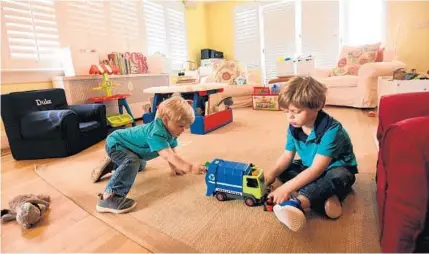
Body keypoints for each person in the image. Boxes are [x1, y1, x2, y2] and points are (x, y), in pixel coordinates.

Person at [264, 76, 358, 232]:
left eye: (296, 111)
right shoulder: (294, 127)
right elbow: (287, 156)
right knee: (286, 169)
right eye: (286, 111)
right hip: (310, 166)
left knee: (337, 177)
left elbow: (317, 169)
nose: (290, 117)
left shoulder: (332, 130)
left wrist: (286, 188)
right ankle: (325, 197)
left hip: (337, 168)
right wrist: (271, 174)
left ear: (318, 105)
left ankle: (299, 203)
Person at [94, 96, 207, 214]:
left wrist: (175, 166)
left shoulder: (171, 131)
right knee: (133, 162)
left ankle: (113, 164)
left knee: (140, 165)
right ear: (165, 120)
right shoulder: (156, 132)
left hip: (129, 148)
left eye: (186, 127)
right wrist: (190, 168)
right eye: (181, 126)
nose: (184, 130)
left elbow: (172, 150)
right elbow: (168, 155)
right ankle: (109, 197)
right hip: (116, 143)